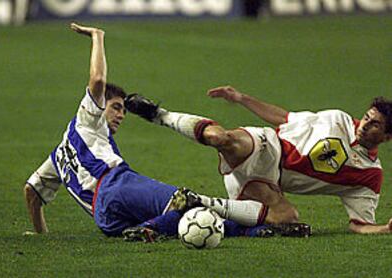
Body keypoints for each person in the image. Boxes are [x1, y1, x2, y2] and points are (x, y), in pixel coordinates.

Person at [23, 24, 310, 242]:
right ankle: (271, 220)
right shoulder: (87, 120)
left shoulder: (59, 154)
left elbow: (32, 192)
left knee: (179, 218)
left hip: (106, 219)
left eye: (123, 110)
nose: (121, 114)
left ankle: (249, 231)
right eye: (116, 108)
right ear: (99, 107)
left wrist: (41, 235)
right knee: (187, 201)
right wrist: (97, 37)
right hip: (117, 186)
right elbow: (98, 80)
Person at [125, 86, 392, 234]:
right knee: (222, 139)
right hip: (266, 147)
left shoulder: (369, 176)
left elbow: (360, 225)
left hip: (269, 184)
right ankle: (159, 115)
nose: (365, 125)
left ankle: (199, 202)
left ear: (386, 137)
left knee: (288, 217)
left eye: (375, 125)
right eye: (367, 117)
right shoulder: (339, 119)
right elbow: (285, 119)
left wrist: (384, 229)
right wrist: (242, 99)